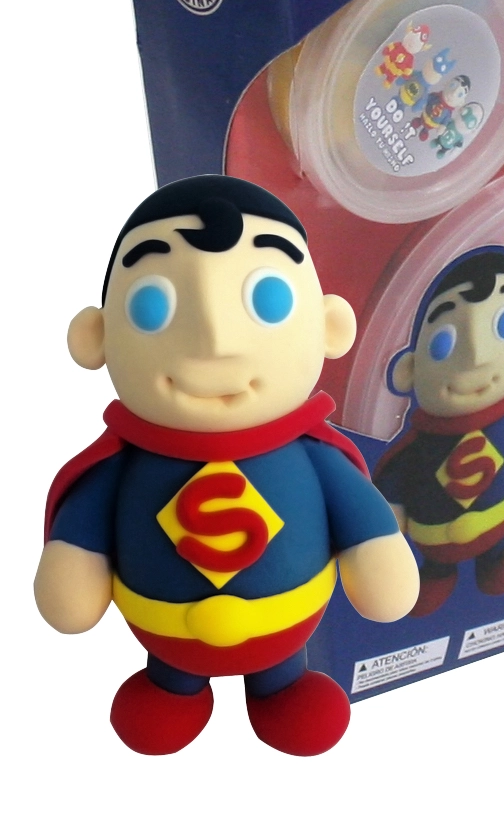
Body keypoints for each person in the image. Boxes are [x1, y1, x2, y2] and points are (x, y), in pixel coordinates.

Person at [35, 175, 418, 756]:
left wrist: (377, 552)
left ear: (329, 326)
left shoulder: (313, 458)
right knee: (158, 711)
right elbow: (83, 538)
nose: (214, 341)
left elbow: (361, 519)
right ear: (96, 337)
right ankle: (174, 686)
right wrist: (73, 563)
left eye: (268, 299)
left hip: (283, 630)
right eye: (154, 305)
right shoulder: (122, 466)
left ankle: (281, 685)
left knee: (295, 701)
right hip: (168, 636)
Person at [375, 247, 504, 616]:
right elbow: (395, 482)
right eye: (443, 343)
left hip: (498, 522)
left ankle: (495, 557)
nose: (478, 356)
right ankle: (437, 572)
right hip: (434, 539)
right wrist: (390, 516)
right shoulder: (419, 446)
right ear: (410, 370)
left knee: (498, 557)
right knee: (433, 573)